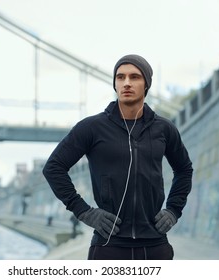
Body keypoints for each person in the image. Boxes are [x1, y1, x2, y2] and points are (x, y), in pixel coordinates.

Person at [42, 54, 193, 260]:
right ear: (114, 83)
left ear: (146, 84)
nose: (127, 83)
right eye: (120, 77)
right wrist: (84, 211)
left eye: (135, 77)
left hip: (155, 245)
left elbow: (184, 169)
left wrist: (173, 210)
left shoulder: (164, 129)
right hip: (108, 245)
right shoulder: (92, 128)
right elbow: (53, 167)